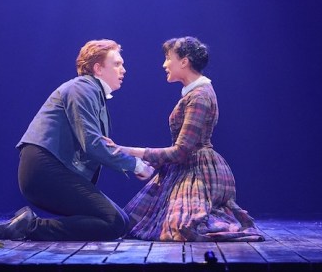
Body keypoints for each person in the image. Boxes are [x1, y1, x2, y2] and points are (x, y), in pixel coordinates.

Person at [0, 39, 154, 241]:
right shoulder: (82, 88)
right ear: (98, 68)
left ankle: (27, 226)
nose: (123, 70)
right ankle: (28, 227)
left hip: (54, 170)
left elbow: (100, 143)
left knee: (120, 221)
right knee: (114, 222)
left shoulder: (93, 93)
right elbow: (92, 144)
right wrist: (136, 165)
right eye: (117, 64)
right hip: (44, 171)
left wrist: (131, 159)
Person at [110, 37, 263, 242]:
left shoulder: (199, 97)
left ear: (184, 61)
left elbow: (181, 150)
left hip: (197, 171)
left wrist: (130, 151)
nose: (164, 64)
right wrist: (151, 164)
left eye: (168, 58)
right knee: (135, 221)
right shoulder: (193, 94)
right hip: (184, 167)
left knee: (182, 227)